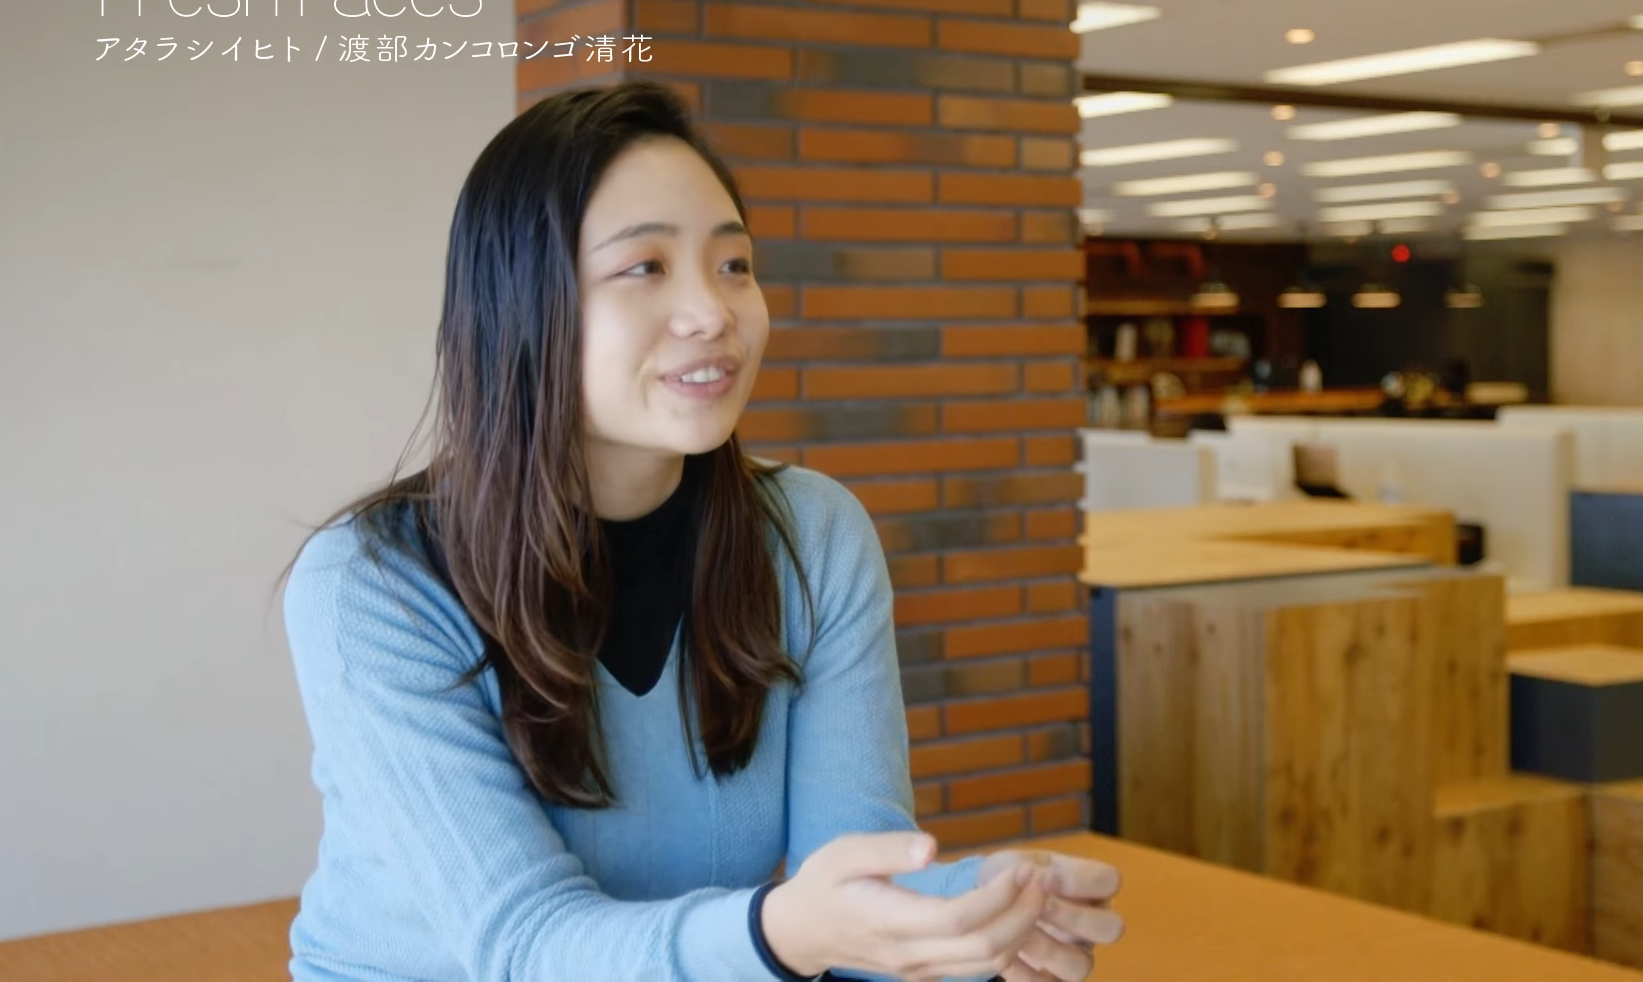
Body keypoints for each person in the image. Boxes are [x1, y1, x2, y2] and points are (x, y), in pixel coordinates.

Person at [277, 80, 1124, 982]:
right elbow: (524, 944)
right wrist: (784, 935)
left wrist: (975, 910)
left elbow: (850, 888)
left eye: (734, 264)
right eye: (645, 267)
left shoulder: (813, 536)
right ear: (519, 303)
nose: (715, 313)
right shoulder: (373, 582)